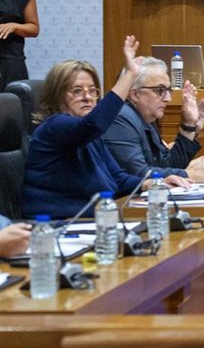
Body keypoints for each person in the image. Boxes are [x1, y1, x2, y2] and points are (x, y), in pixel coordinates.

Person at [23, 36, 190, 219]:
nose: (87, 97)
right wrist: (129, 75)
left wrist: (150, 183)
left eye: (92, 90)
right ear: (57, 95)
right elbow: (94, 123)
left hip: (93, 220)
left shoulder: (89, 135)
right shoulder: (54, 127)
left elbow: (118, 177)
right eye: (77, 91)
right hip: (57, 225)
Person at [102, 57, 204, 183]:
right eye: (160, 90)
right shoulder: (119, 118)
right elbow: (138, 174)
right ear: (135, 94)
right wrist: (187, 174)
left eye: (168, 90)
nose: (168, 99)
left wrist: (189, 125)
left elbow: (167, 165)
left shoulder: (147, 118)